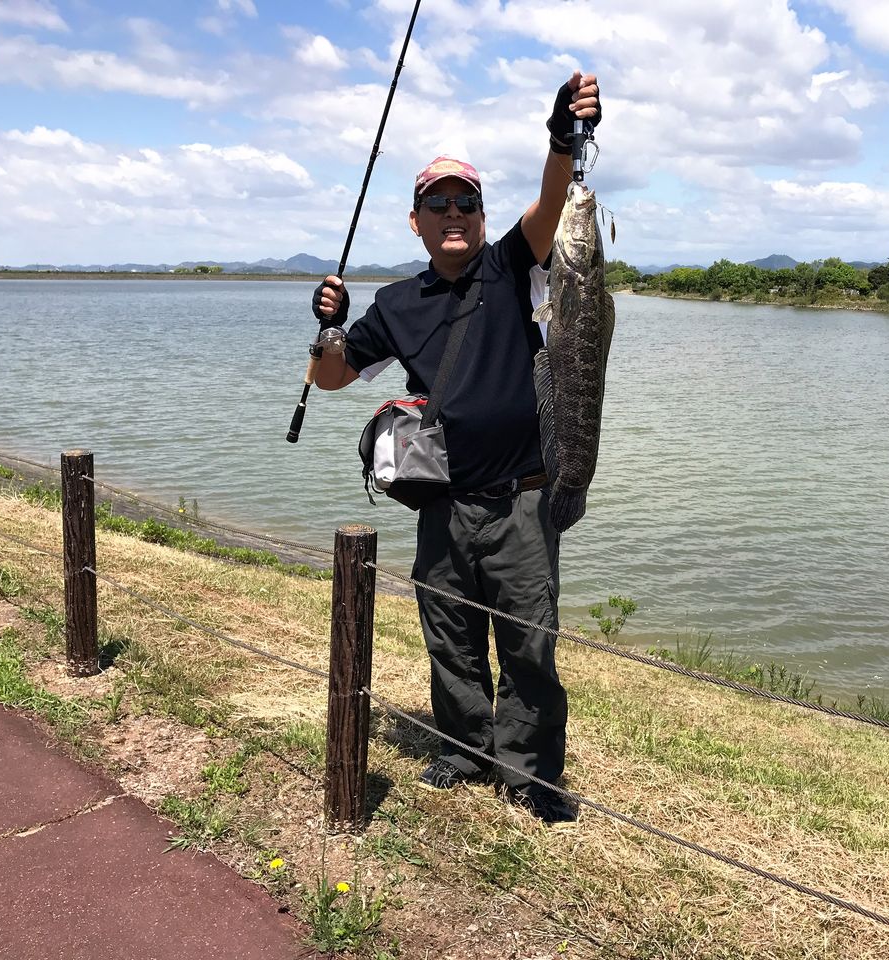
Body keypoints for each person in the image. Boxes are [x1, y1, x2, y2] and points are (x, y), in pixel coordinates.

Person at [309, 71, 601, 826]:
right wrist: (329, 324)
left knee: (530, 644)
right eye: (436, 203)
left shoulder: (510, 265)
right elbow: (334, 377)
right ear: (415, 221)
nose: (451, 213)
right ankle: (464, 749)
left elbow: (549, 208)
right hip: (442, 503)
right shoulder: (398, 304)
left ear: (480, 212)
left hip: (523, 500)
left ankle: (532, 772)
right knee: (450, 633)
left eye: (463, 201)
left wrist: (562, 140)